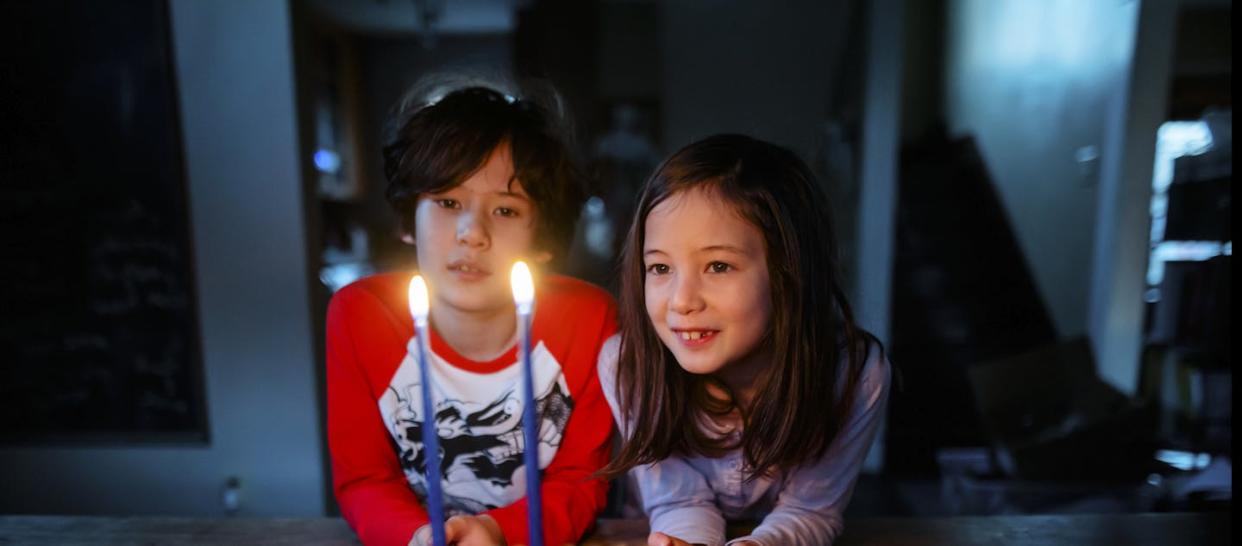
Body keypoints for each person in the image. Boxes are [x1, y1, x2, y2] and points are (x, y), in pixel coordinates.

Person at [327, 84, 617, 546]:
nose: (471, 233)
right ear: (408, 218)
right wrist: (417, 535)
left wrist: (498, 531)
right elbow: (363, 479)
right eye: (447, 203)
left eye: (505, 209)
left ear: (544, 237)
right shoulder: (361, 315)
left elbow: (583, 480)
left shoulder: (589, 319)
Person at [598, 134, 891, 546]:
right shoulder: (628, 366)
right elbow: (678, 502)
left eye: (718, 265)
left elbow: (809, 510)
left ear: (788, 272)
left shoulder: (854, 375)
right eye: (660, 268)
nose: (681, 301)